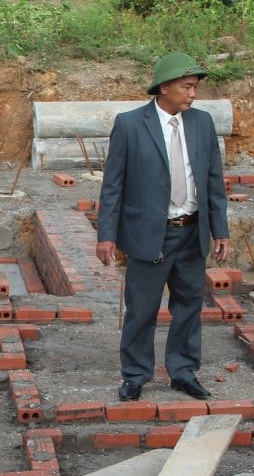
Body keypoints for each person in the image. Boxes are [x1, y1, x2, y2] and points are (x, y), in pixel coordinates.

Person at [95, 53, 230, 402]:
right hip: (150, 233)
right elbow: (113, 185)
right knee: (142, 308)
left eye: (195, 88)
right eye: (187, 87)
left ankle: (183, 371)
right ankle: (136, 375)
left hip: (192, 230)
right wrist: (106, 235)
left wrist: (220, 229)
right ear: (165, 87)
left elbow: (214, 180)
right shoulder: (129, 125)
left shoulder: (201, 124)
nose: (192, 94)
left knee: (189, 305)